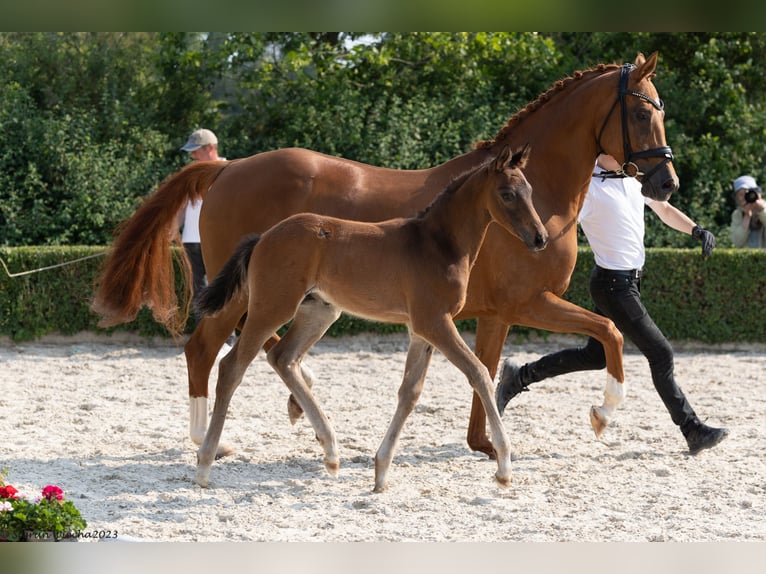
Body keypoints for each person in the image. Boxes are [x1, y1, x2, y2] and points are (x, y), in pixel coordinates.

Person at [495, 154, 729, 456]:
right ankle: (692, 429)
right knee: (661, 354)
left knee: (595, 356)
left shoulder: (631, 178)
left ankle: (519, 376)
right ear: (599, 151)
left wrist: (696, 230)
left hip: (629, 283)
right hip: (613, 287)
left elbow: (663, 208)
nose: (622, 150)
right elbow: (557, 222)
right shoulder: (587, 186)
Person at [729, 175, 766, 248]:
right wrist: (747, 216)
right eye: (741, 194)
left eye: (748, 193)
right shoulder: (737, 214)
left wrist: (762, 211)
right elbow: (737, 242)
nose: (745, 197)